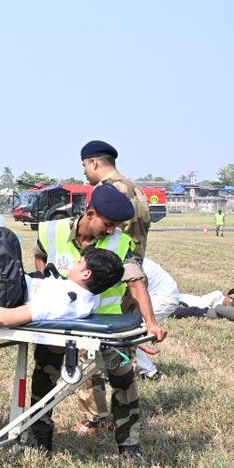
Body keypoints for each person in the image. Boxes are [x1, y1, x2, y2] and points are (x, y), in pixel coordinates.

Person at [28, 184, 167, 458]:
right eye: (108, 224)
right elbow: (40, 254)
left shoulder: (119, 243)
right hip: (58, 321)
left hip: (106, 325)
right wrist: (47, 285)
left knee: (124, 381)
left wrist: (151, 322)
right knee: (44, 376)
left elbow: (136, 282)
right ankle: (41, 438)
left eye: (116, 226)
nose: (111, 230)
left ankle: (129, 446)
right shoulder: (52, 230)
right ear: (90, 214)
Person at [73, 140, 166, 439]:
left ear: (93, 163)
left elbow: (103, 240)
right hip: (132, 280)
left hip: (107, 280)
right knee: (123, 352)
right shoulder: (138, 191)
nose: (85, 173)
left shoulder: (108, 192)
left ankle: (94, 419)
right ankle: (122, 414)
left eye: (85, 166)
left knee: (89, 350)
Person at [133, 258, 181, 381]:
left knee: (126, 332)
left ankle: (150, 373)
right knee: (124, 332)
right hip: (157, 293)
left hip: (164, 297)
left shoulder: (126, 261)